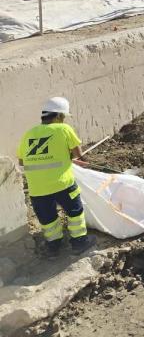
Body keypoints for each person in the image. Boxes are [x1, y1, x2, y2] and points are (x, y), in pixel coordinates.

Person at [17, 97, 96, 257]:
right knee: (75, 212)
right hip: (63, 184)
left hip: (37, 189)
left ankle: (53, 247)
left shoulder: (28, 134)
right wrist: (80, 160)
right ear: (59, 116)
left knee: (48, 219)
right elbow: (78, 155)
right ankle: (79, 243)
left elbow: (22, 161)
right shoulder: (63, 129)